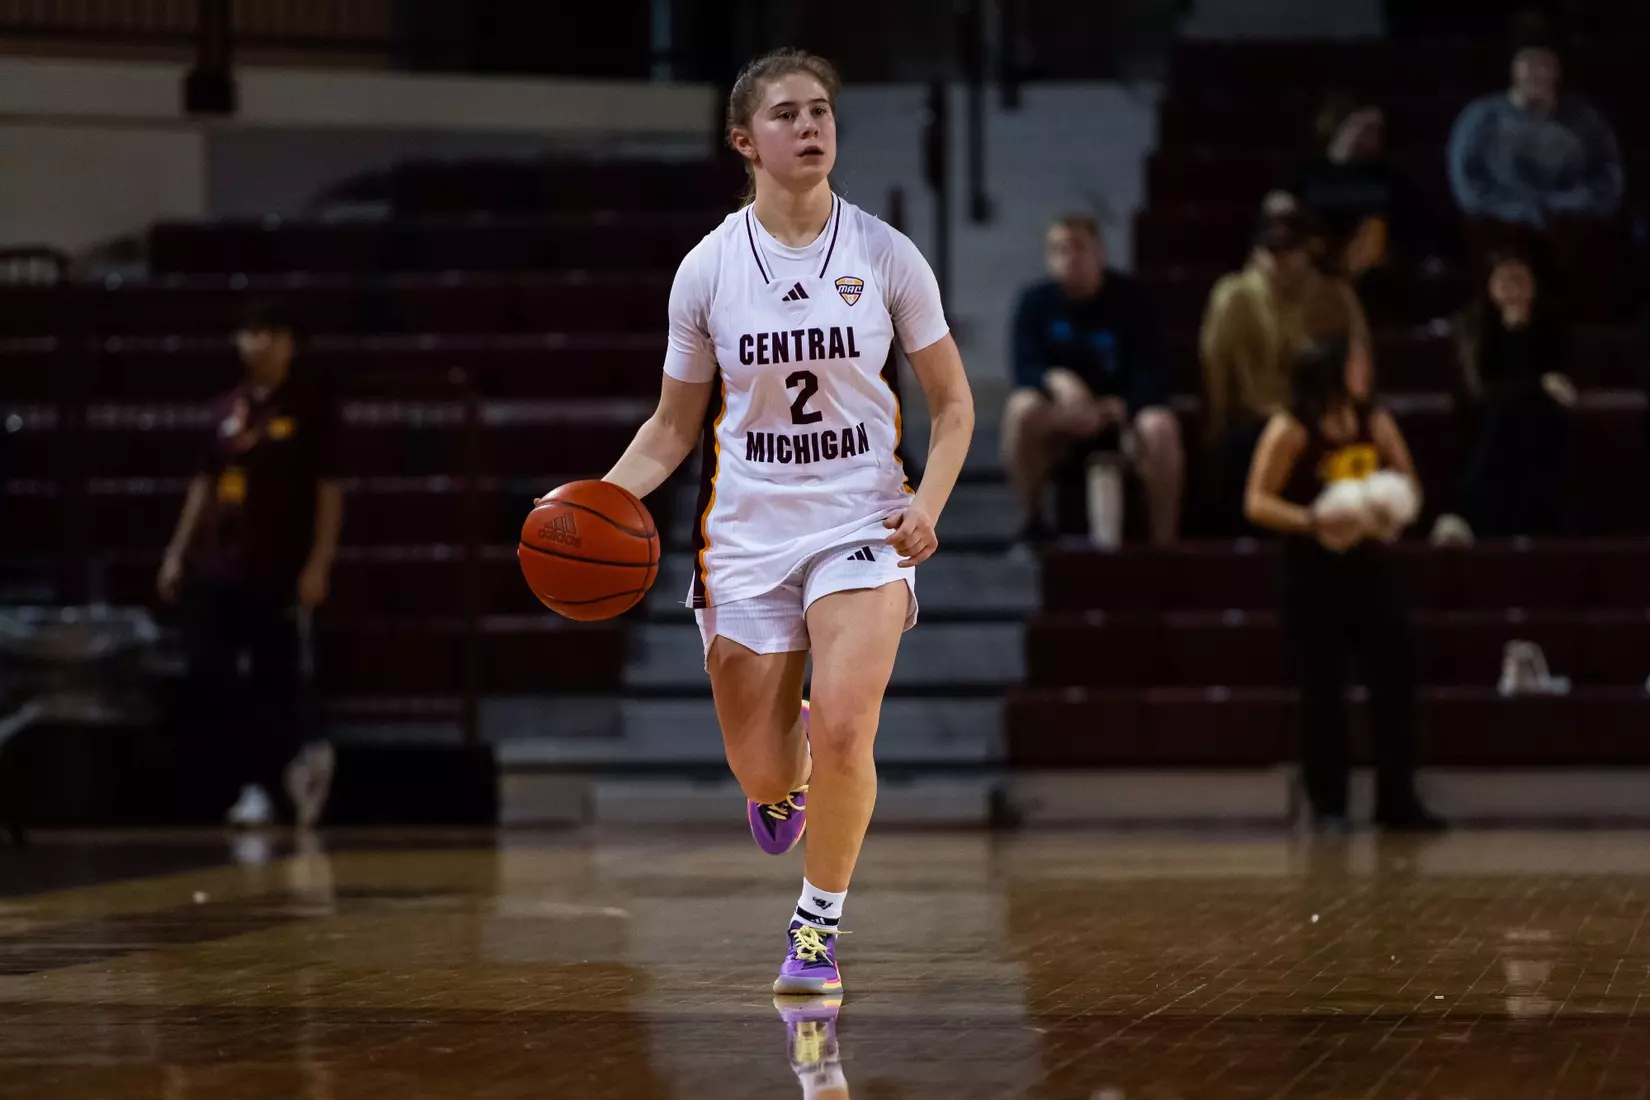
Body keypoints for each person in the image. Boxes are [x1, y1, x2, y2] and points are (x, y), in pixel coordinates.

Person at [549, 48, 974, 999]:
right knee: (760, 765)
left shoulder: (886, 253)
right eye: (787, 114)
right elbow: (670, 427)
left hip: (859, 520)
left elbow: (954, 407)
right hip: (744, 531)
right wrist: (597, 509)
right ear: (745, 140)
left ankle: (816, 928)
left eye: (822, 110)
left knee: (850, 728)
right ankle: (778, 782)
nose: (811, 126)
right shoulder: (706, 269)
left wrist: (928, 506)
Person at [1243, 335, 1442, 832]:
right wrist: (1313, 520)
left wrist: (1390, 512)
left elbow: (1410, 483)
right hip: (1311, 573)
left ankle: (1398, 801)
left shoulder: (1374, 420)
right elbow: (1257, 501)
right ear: (1331, 370)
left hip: (1369, 568)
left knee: (1395, 680)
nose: (1365, 369)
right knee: (1322, 692)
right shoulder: (1291, 428)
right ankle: (1329, 805)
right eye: (1356, 362)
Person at [157, 301, 342, 830]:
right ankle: (246, 779)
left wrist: (319, 564)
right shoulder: (226, 409)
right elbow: (205, 483)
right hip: (221, 566)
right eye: (251, 332)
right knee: (209, 672)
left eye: (270, 333)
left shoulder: (310, 409)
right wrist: (177, 552)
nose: (259, 342)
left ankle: (274, 781)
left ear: (289, 344)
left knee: (273, 680)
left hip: (278, 568)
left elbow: (330, 492)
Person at [1000, 215, 1182, 548]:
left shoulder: (1132, 299)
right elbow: (1023, 367)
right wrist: (1054, 379)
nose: (1069, 257)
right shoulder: (1035, 302)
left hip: (1121, 417)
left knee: (1160, 426)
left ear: (1100, 252)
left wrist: (1117, 406)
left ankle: (1163, 543)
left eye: (1079, 247)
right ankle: (1033, 523)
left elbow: (1156, 370)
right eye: (1059, 249)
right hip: (1064, 419)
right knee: (1021, 409)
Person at [1200, 211, 1373, 533]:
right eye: (1271, 250)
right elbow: (1218, 376)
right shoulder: (1232, 298)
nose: (1280, 260)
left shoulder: (1334, 296)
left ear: (1306, 251)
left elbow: (1360, 363)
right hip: (1255, 418)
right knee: (1237, 448)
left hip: (1321, 420)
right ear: (1255, 252)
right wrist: (1218, 426)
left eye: (1289, 249)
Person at [1451, 250, 1573, 538]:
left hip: (1539, 421)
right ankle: (1478, 520)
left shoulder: (1550, 321)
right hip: (1482, 419)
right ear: (1489, 285)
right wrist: (1512, 340)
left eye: (1520, 281)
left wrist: (1521, 335)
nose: (1513, 290)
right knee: (1502, 417)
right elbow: (1478, 391)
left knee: (1527, 419)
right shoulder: (1472, 323)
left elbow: (1561, 383)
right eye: (1505, 282)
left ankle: (1528, 524)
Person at [1272, 95, 1443, 301]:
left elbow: (1415, 225)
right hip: (1315, 268)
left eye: (1379, 131)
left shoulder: (1390, 179)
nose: (1374, 139)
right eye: (1366, 129)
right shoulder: (1304, 176)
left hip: (1373, 274)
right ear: (1338, 127)